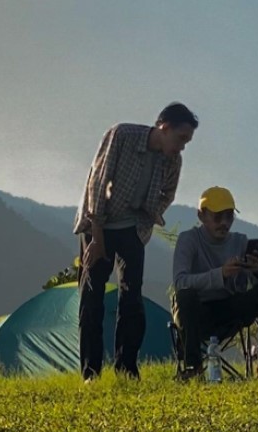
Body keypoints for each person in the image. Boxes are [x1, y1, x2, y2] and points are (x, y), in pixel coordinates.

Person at [73, 102, 196, 381]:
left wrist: (146, 220)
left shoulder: (172, 160)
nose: (182, 147)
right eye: (181, 139)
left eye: (187, 142)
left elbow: (168, 195)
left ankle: (126, 368)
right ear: (164, 128)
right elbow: (97, 181)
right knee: (92, 296)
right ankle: (90, 373)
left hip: (132, 228)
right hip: (98, 224)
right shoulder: (122, 136)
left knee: (132, 297)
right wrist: (97, 236)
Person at [172, 186, 258, 380]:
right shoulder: (188, 240)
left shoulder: (240, 242)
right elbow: (180, 281)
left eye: (229, 217)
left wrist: (257, 271)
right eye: (218, 217)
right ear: (201, 216)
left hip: (229, 309)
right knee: (185, 294)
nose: (224, 223)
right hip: (197, 312)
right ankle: (193, 366)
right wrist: (220, 275)